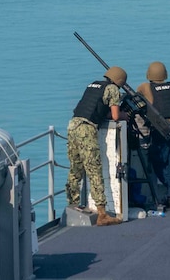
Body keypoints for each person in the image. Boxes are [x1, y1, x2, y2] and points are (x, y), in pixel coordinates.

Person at [68, 67, 127, 225]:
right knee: (94, 169)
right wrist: (126, 115)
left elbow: (96, 109)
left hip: (73, 124)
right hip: (87, 129)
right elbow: (115, 115)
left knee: (76, 168)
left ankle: (72, 205)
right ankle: (102, 213)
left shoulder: (93, 85)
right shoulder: (113, 89)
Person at [137, 61, 170, 210]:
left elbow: (135, 96)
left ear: (149, 74)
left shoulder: (146, 87)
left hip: (162, 129)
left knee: (157, 160)